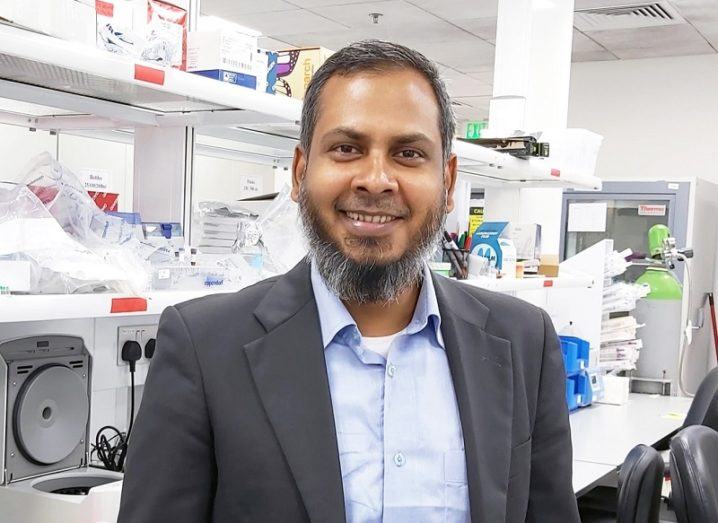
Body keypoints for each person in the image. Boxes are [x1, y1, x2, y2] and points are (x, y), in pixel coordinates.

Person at [118, 40, 580, 523]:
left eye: (407, 153)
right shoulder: (205, 348)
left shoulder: (522, 341)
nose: (376, 179)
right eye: (346, 148)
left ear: (447, 183)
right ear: (299, 173)